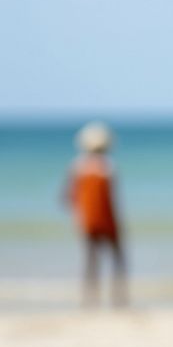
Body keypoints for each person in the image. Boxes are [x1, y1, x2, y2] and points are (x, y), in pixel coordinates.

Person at [62, 121, 128, 307]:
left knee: (91, 259)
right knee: (118, 258)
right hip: (107, 218)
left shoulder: (78, 165)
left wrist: (79, 216)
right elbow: (112, 199)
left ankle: (89, 298)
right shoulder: (108, 166)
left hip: (87, 219)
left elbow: (69, 196)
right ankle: (119, 297)